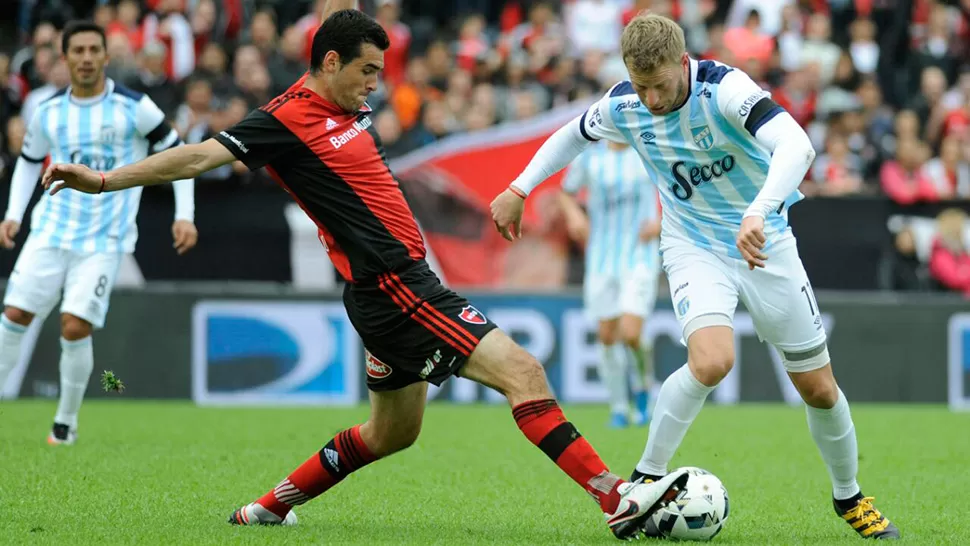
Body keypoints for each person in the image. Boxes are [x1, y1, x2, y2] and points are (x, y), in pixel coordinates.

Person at [41, 5, 689, 540]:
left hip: (385, 290)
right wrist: (102, 181)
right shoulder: (286, 118)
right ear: (329, 62)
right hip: (395, 285)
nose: (375, 83)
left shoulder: (346, 109)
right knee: (523, 371)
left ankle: (267, 506)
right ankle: (618, 500)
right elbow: (196, 156)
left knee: (392, 433)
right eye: (366, 71)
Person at [491, 14, 900, 540]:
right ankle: (645, 480)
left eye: (660, 85)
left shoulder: (725, 89)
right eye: (642, 87)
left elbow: (797, 146)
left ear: (682, 64)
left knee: (819, 389)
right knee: (711, 361)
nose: (653, 99)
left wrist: (759, 210)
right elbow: (570, 136)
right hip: (693, 246)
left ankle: (849, 497)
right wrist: (520, 188)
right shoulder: (625, 104)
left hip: (765, 242)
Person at [0, 21, 197, 445]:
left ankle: (65, 423)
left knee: (74, 326)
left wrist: (185, 213)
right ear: (65, 58)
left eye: (94, 50)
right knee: (13, 315)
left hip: (104, 241)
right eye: (78, 51)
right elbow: (29, 161)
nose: (87, 58)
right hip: (49, 233)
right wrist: (14, 212)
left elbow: (182, 155)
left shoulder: (135, 107)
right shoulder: (48, 111)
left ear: (106, 57)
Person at [559, 139, 660, 428]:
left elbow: (677, 189)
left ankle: (642, 389)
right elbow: (565, 193)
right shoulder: (590, 159)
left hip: (640, 256)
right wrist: (574, 214)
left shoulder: (646, 152)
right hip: (602, 259)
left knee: (630, 332)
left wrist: (662, 222)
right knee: (606, 335)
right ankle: (618, 407)